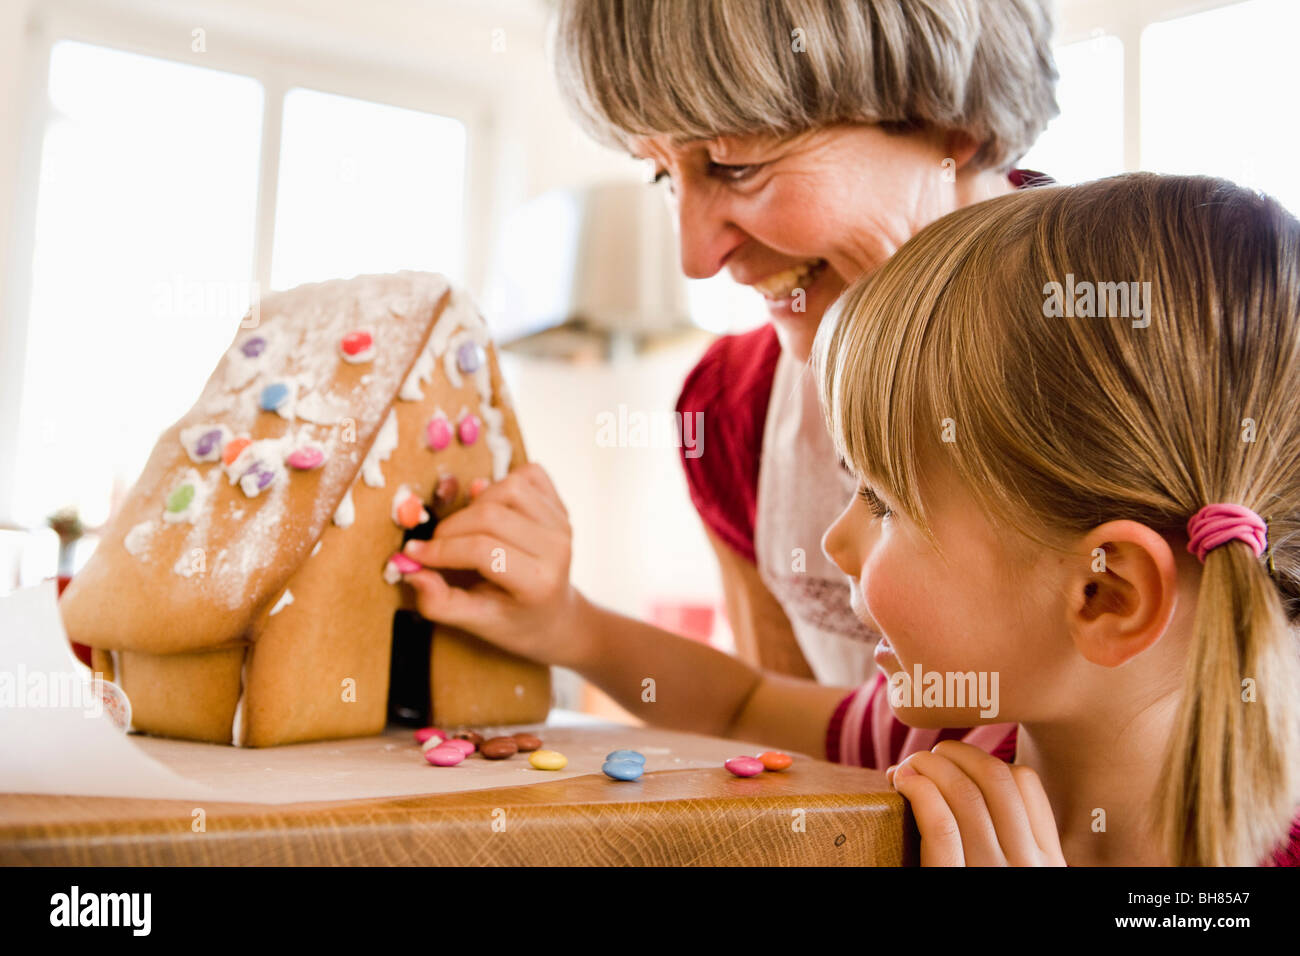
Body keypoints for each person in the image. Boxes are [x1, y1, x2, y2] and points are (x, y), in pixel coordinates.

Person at [406, 172, 1300, 865]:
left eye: (884, 500)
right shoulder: (950, 728)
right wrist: (567, 623)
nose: (836, 541)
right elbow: (743, 700)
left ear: (1105, 592)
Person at [526, 0, 1058, 686]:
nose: (696, 257)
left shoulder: (1165, 353)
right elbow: (783, 738)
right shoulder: (727, 412)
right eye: (662, 175)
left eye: (735, 163)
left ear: (952, 129)